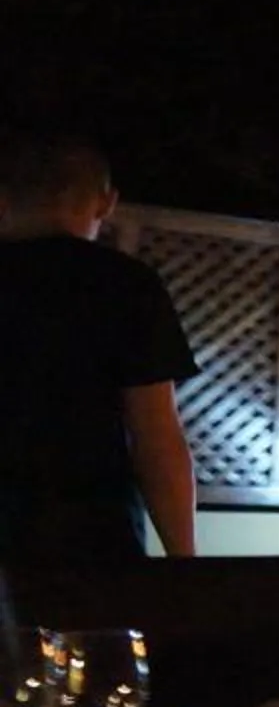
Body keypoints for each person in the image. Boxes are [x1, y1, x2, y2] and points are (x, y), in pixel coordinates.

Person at [0, 131, 199, 563]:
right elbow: (156, 433)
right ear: (106, 202)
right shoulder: (126, 286)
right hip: (91, 542)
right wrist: (184, 561)